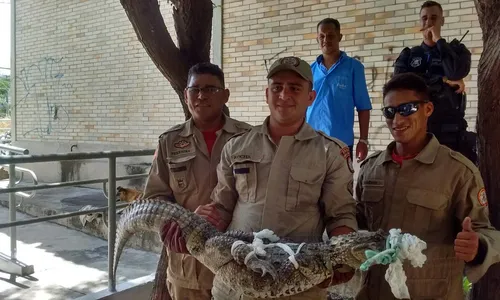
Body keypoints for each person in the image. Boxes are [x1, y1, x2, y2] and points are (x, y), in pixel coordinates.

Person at [167, 56, 359, 299]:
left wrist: (343, 255)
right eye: (277, 87)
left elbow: (340, 214)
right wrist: (195, 229)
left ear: (310, 97)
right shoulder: (237, 146)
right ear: (267, 94)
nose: (284, 95)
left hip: (298, 283)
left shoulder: (329, 152)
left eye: (294, 88)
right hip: (236, 280)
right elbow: (222, 207)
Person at [355, 73, 500, 300]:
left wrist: (477, 248)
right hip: (375, 292)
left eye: (407, 109)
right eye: (389, 112)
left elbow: (487, 233)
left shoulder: (458, 172)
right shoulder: (372, 168)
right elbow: (359, 222)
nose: (397, 119)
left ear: (428, 109)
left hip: (432, 293)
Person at [143, 62, 252, 300]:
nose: (202, 96)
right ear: (186, 95)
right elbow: (154, 198)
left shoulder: (249, 139)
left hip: (239, 262)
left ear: (225, 95)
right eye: (195, 89)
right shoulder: (169, 142)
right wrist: (183, 221)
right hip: (188, 268)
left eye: (211, 89)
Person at [393, 0, 477, 164]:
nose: (428, 22)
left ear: (442, 21)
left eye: (433, 18)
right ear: (420, 22)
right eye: (424, 18)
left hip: (450, 130)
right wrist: (442, 79)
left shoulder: (457, 50)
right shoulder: (409, 55)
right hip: (417, 130)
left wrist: (439, 41)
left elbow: (456, 71)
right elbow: (399, 85)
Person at [306, 17, 372, 162]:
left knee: (341, 184)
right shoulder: (309, 70)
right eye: (322, 36)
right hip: (311, 141)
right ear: (317, 39)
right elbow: (302, 106)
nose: (325, 40)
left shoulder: (354, 68)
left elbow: (363, 107)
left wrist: (363, 140)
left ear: (339, 37)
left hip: (341, 144)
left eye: (330, 35)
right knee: (310, 183)